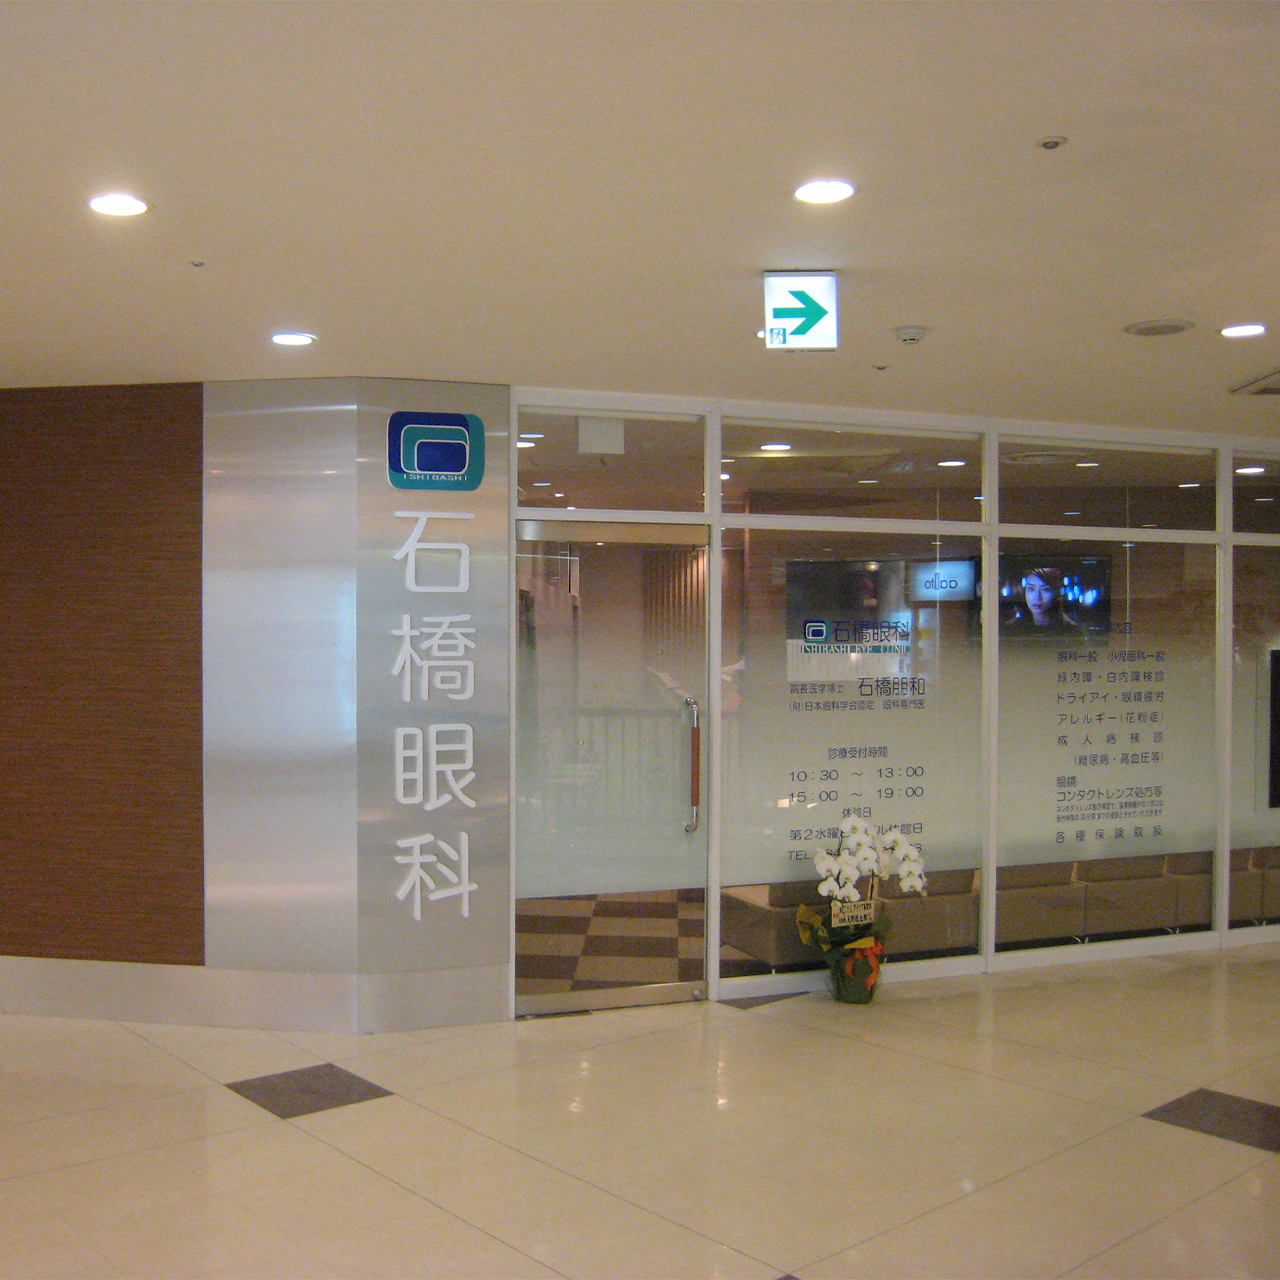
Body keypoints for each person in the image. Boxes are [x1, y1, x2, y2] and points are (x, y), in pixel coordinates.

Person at [1003, 566, 1087, 636]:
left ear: (1056, 592)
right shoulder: (1011, 627)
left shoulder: (1072, 630)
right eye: (1031, 589)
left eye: (1045, 589)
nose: (1037, 597)